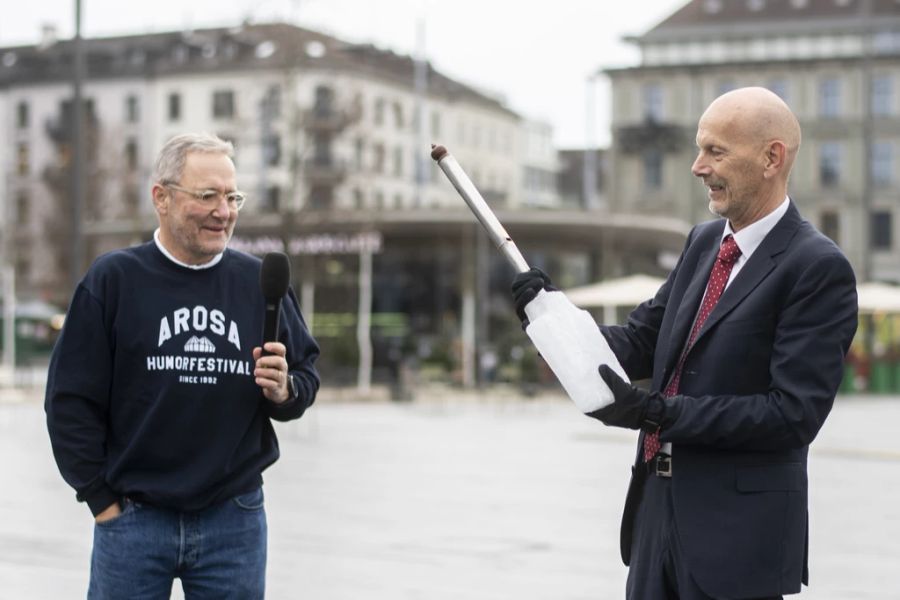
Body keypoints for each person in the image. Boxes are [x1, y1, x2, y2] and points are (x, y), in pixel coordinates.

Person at [512, 87, 858, 599]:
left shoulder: (817, 267)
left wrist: (656, 413)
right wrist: (549, 318)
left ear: (771, 157)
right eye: (700, 149)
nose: (698, 167)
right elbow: (638, 342)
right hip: (656, 515)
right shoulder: (702, 242)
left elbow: (791, 416)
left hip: (736, 538)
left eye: (716, 151)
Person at [45, 133, 320, 599]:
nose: (224, 211)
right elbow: (70, 402)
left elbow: (304, 378)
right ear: (162, 198)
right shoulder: (113, 281)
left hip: (232, 520)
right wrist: (100, 500)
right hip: (133, 518)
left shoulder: (258, 282)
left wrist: (284, 390)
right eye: (207, 195)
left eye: (232, 197)